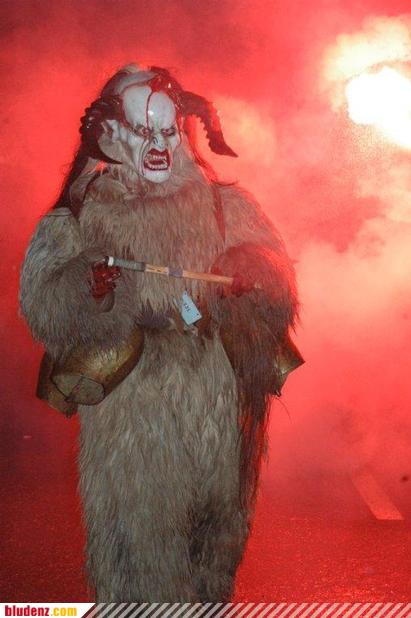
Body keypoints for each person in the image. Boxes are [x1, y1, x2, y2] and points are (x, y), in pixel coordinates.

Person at [20, 64, 302, 602]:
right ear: (111, 133)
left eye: (167, 132)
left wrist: (251, 271)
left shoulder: (224, 205)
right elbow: (42, 303)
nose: (157, 145)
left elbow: (277, 276)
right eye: (142, 131)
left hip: (214, 397)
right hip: (134, 406)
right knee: (138, 545)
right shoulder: (82, 211)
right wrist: (90, 288)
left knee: (214, 541)